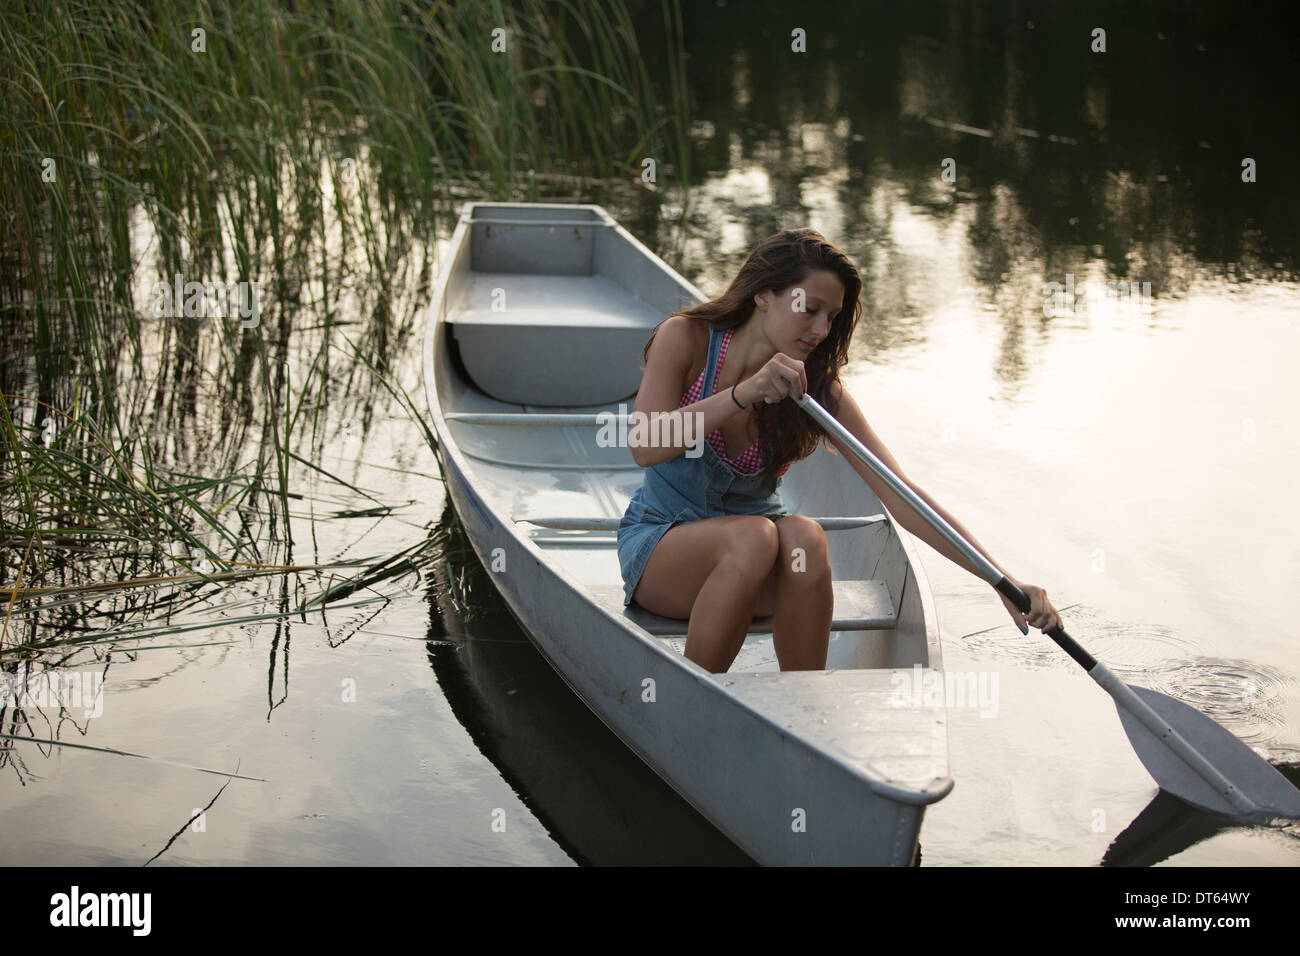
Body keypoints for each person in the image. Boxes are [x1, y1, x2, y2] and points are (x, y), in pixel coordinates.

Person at [616, 227, 1059, 673]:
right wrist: (744, 392)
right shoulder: (687, 338)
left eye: (831, 317)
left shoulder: (816, 390)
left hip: (760, 563)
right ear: (763, 294)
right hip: (662, 550)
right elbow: (644, 446)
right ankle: (694, 698)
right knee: (754, 536)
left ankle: (807, 705)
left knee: (805, 537)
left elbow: (900, 494)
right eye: (809, 310)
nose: (821, 330)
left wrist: (1000, 581)